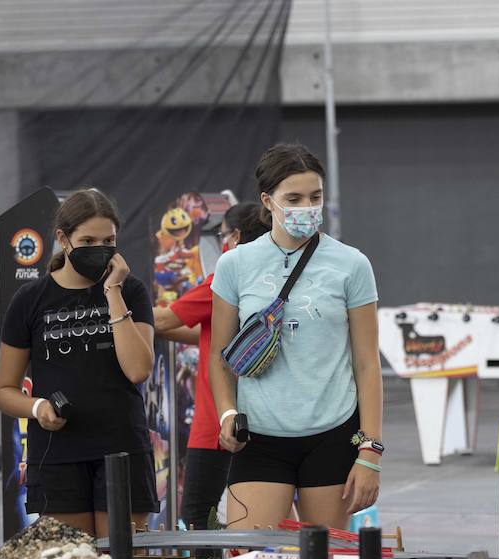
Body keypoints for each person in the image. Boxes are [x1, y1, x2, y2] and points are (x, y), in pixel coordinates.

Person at [208, 143, 382, 531]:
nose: (307, 206)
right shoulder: (235, 265)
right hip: (260, 437)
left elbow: (368, 363)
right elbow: (220, 358)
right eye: (294, 198)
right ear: (268, 202)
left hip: (334, 433)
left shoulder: (352, 264)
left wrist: (370, 451)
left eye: (315, 196)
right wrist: (227, 413)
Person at [0, 189, 158, 536]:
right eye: (87, 240)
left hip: (122, 449)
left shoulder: (132, 291)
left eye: (109, 240)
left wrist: (113, 292)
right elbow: (4, 391)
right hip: (57, 454)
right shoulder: (30, 299)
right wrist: (38, 407)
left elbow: (139, 370)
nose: (99, 248)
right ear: (63, 239)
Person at [153, 202, 268, 534]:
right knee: (260, 514)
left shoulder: (227, 275)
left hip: (216, 421)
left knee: (197, 515)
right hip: (262, 417)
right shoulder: (269, 275)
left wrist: (115, 305)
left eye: (220, 237)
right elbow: (204, 330)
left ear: (233, 237)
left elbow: (164, 318)